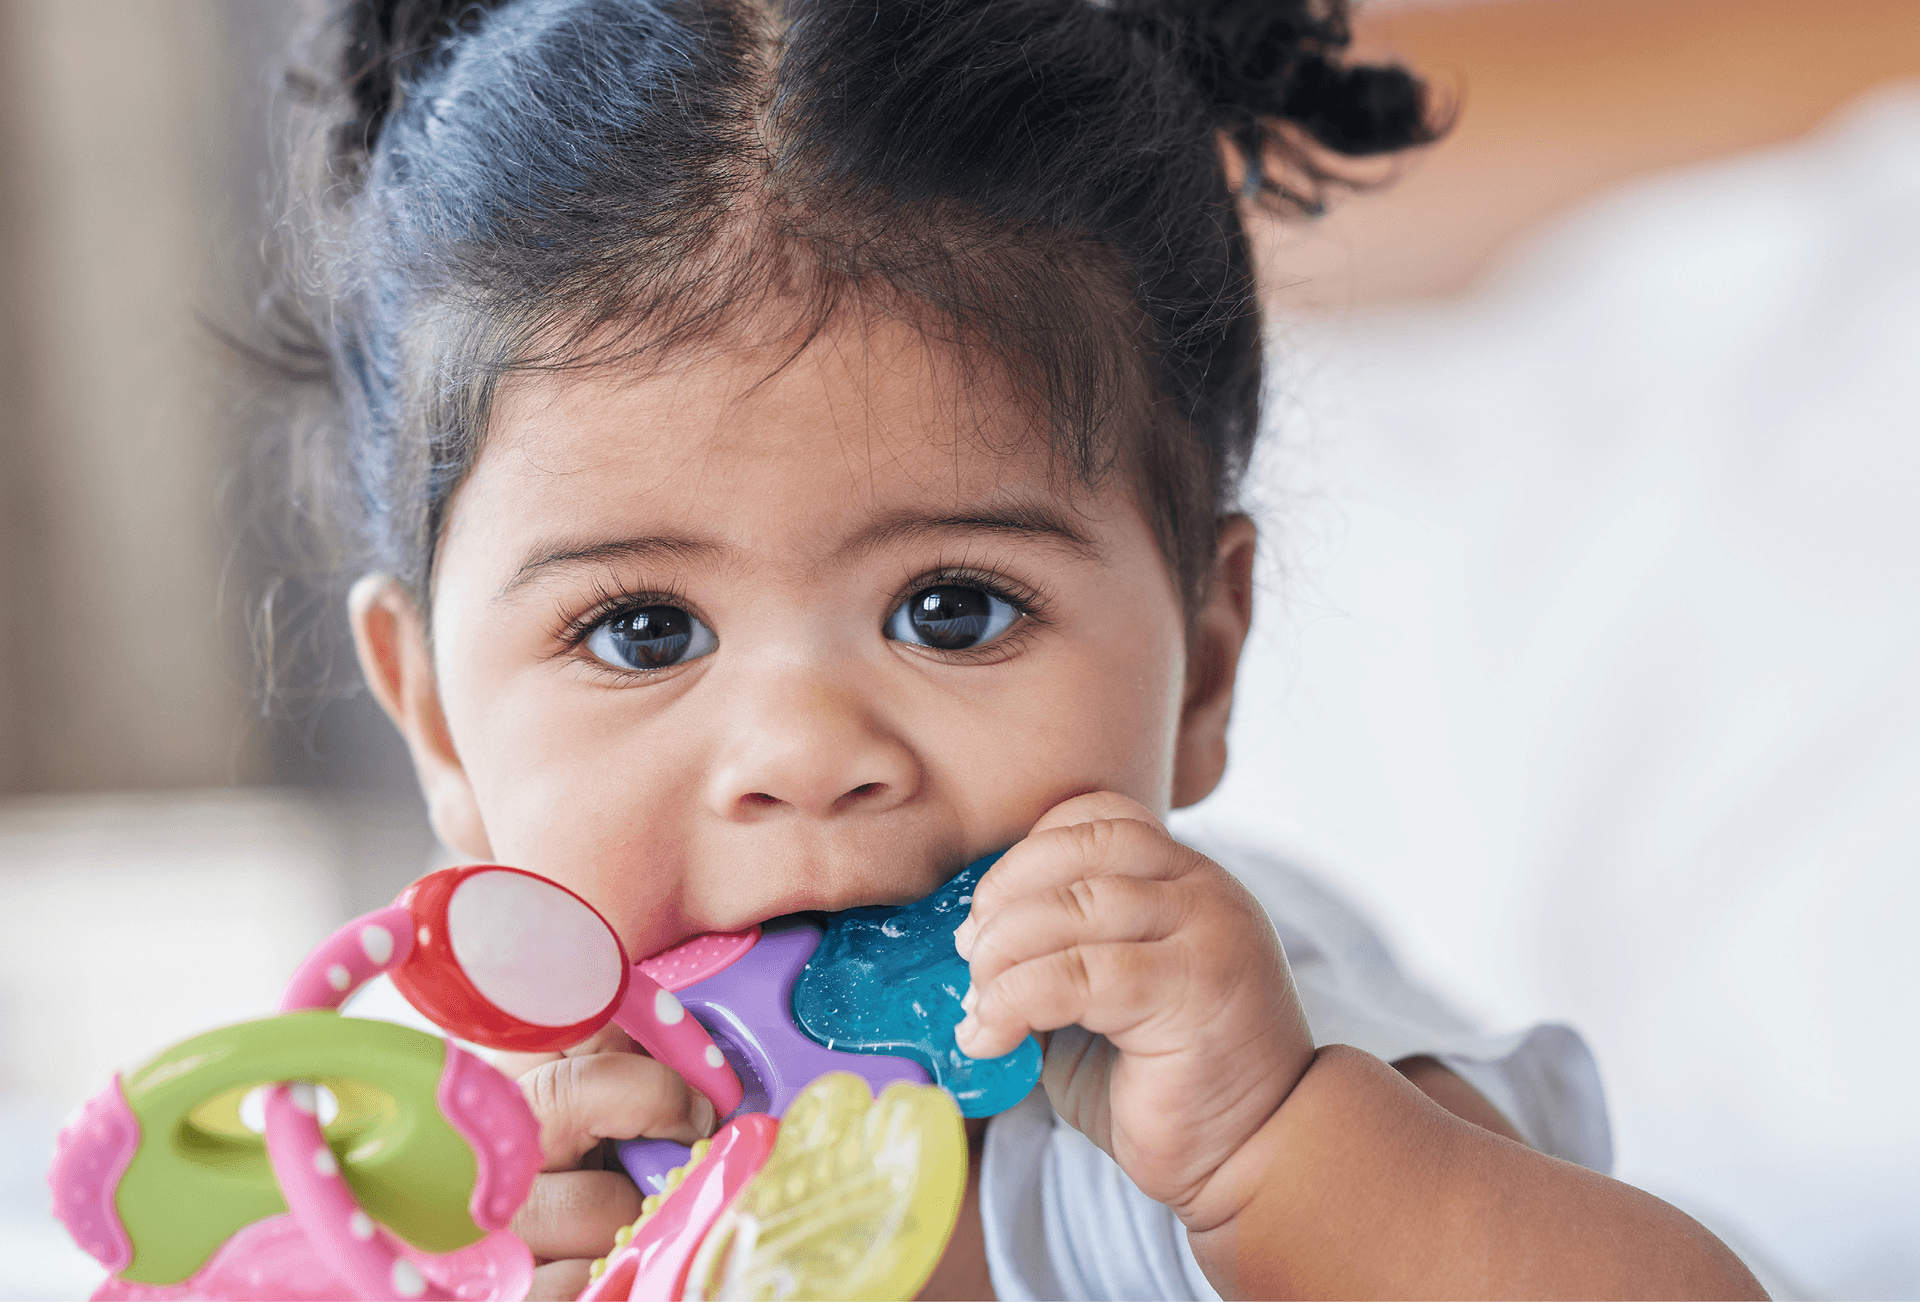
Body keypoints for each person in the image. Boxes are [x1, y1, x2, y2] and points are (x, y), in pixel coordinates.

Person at [270, 0, 1766, 1296]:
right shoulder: (483, 1153)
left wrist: (1267, 1156)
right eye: (642, 630)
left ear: (1209, 659)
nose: (803, 753)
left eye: (953, 609)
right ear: (440, 721)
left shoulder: (1218, 1080)